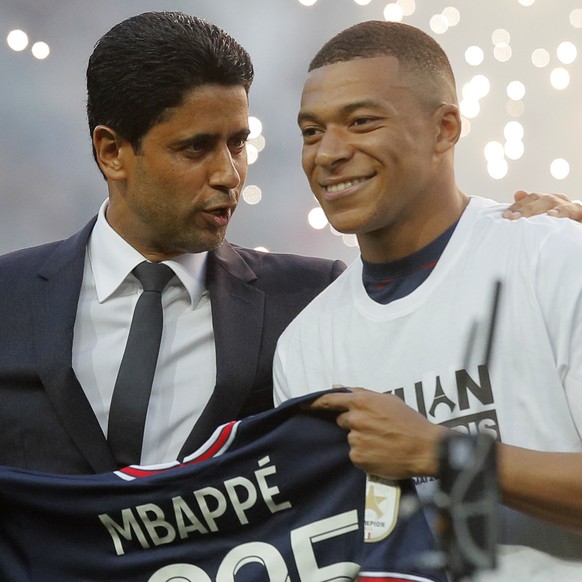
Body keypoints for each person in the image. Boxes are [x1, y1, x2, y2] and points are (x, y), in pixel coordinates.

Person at [272, 20, 582, 580]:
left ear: (445, 129)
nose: (329, 153)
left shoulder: (554, 259)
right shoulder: (304, 345)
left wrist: (441, 453)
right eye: (312, 132)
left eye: (361, 121)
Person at [0, 11, 345, 475]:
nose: (229, 175)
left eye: (238, 144)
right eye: (195, 148)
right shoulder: (8, 298)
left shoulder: (311, 298)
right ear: (112, 152)